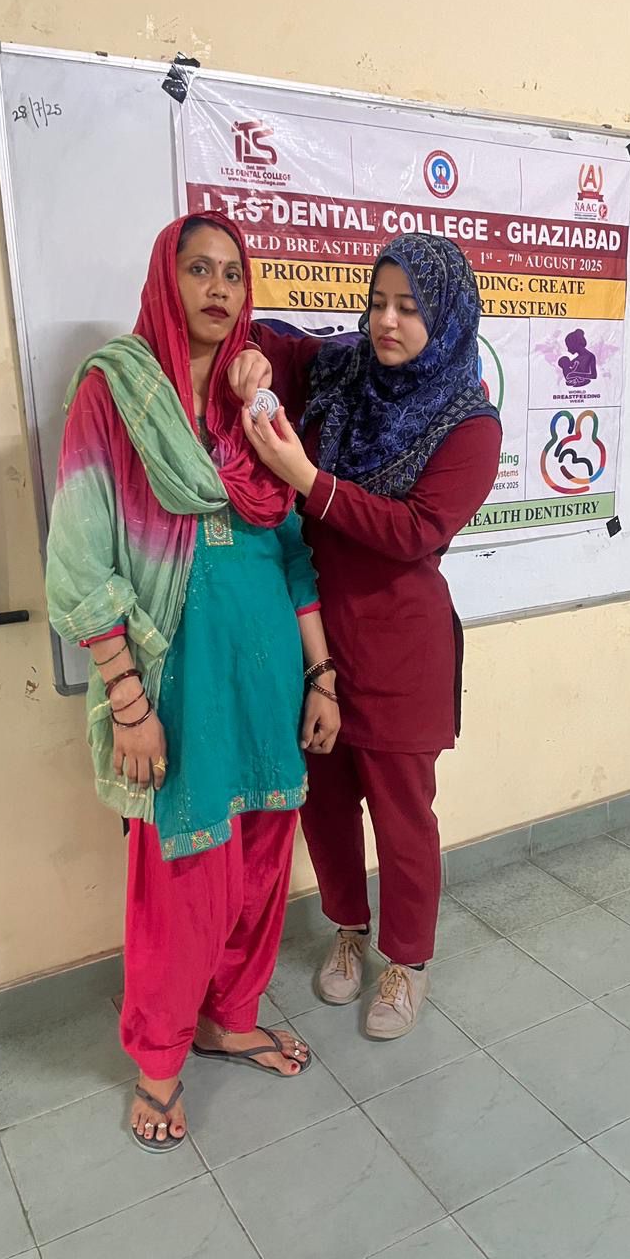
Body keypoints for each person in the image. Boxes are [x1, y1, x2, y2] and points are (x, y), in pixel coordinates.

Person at [45, 211, 340, 1152]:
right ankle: (160, 1060)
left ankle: (229, 1016)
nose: (219, 287)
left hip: (269, 668)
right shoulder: (116, 391)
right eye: (199, 269)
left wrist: (322, 674)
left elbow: (292, 546)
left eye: (233, 273)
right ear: (164, 281)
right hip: (176, 673)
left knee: (261, 857)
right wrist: (128, 702)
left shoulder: (257, 407)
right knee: (181, 874)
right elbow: (80, 556)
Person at [233, 234, 502, 1038]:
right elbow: (269, 341)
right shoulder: (340, 371)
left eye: (410, 308)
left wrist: (306, 481)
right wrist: (250, 356)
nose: (387, 321)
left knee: (401, 814)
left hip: (400, 646)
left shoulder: (469, 425)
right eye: (379, 302)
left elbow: (413, 531)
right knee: (324, 801)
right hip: (311, 632)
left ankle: (407, 962)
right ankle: (347, 928)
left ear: (445, 317)